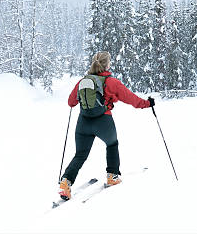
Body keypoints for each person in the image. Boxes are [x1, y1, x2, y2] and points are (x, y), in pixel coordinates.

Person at [58, 51, 154, 200]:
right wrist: (147, 104)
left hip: (83, 123)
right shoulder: (111, 82)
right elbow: (131, 98)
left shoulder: (83, 81)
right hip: (103, 121)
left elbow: (71, 102)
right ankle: (112, 176)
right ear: (107, 64)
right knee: (112, 144)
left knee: (80, 154)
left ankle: (65, 182)